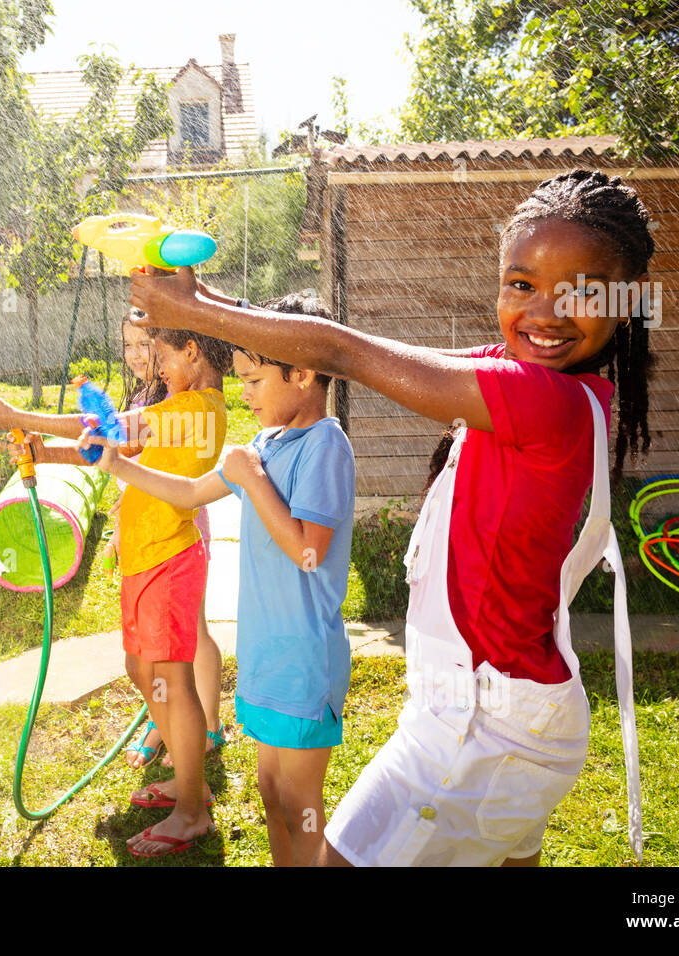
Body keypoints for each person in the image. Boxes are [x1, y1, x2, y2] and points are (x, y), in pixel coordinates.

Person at [128, 168, 652, 866]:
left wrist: (197, 315)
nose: (545, 313)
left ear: (627, 301)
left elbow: (344, 353)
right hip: (505, 711)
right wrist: (205, 299)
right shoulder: (544, 379)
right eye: (521, 285)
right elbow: (356, 344)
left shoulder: (543, 399)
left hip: (482, 726)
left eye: (582, 290)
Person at [81, 290, 355, 866]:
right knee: (272, 794)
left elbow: (309, 552)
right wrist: (115, 462)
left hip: (303, 664)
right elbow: (185, 493)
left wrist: (253, 480)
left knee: (302, 805)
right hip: (266, 658)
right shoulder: (264, 443)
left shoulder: (325, 446)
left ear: (302, 373)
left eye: (255, 382)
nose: (245, 394)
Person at [0, 311, 227, 770]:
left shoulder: (196, 409)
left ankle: (191, 774)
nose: (155, 363)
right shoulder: (181, 404)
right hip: (145, 550)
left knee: (169, 671)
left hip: (169, 550)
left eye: (161, 354)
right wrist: (44, 453)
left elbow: (113, 430)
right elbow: (117, 449)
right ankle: (178, 748)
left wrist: (16, 415)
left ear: (191, 351)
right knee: (141, 668)